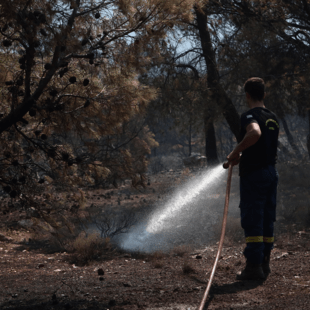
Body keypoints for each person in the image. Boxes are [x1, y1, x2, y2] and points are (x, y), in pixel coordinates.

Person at [226, 77, 279, 280]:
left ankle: (253, 267)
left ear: (247, 95)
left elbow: (254, 133)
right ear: (264, 94)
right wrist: (243, 154)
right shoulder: (272, 117)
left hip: (254, 175)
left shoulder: (249, 115)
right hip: (271, 173)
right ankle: (265, 263)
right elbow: (263, 144)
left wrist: (236, 151)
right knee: (267, 218)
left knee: (253, 217)